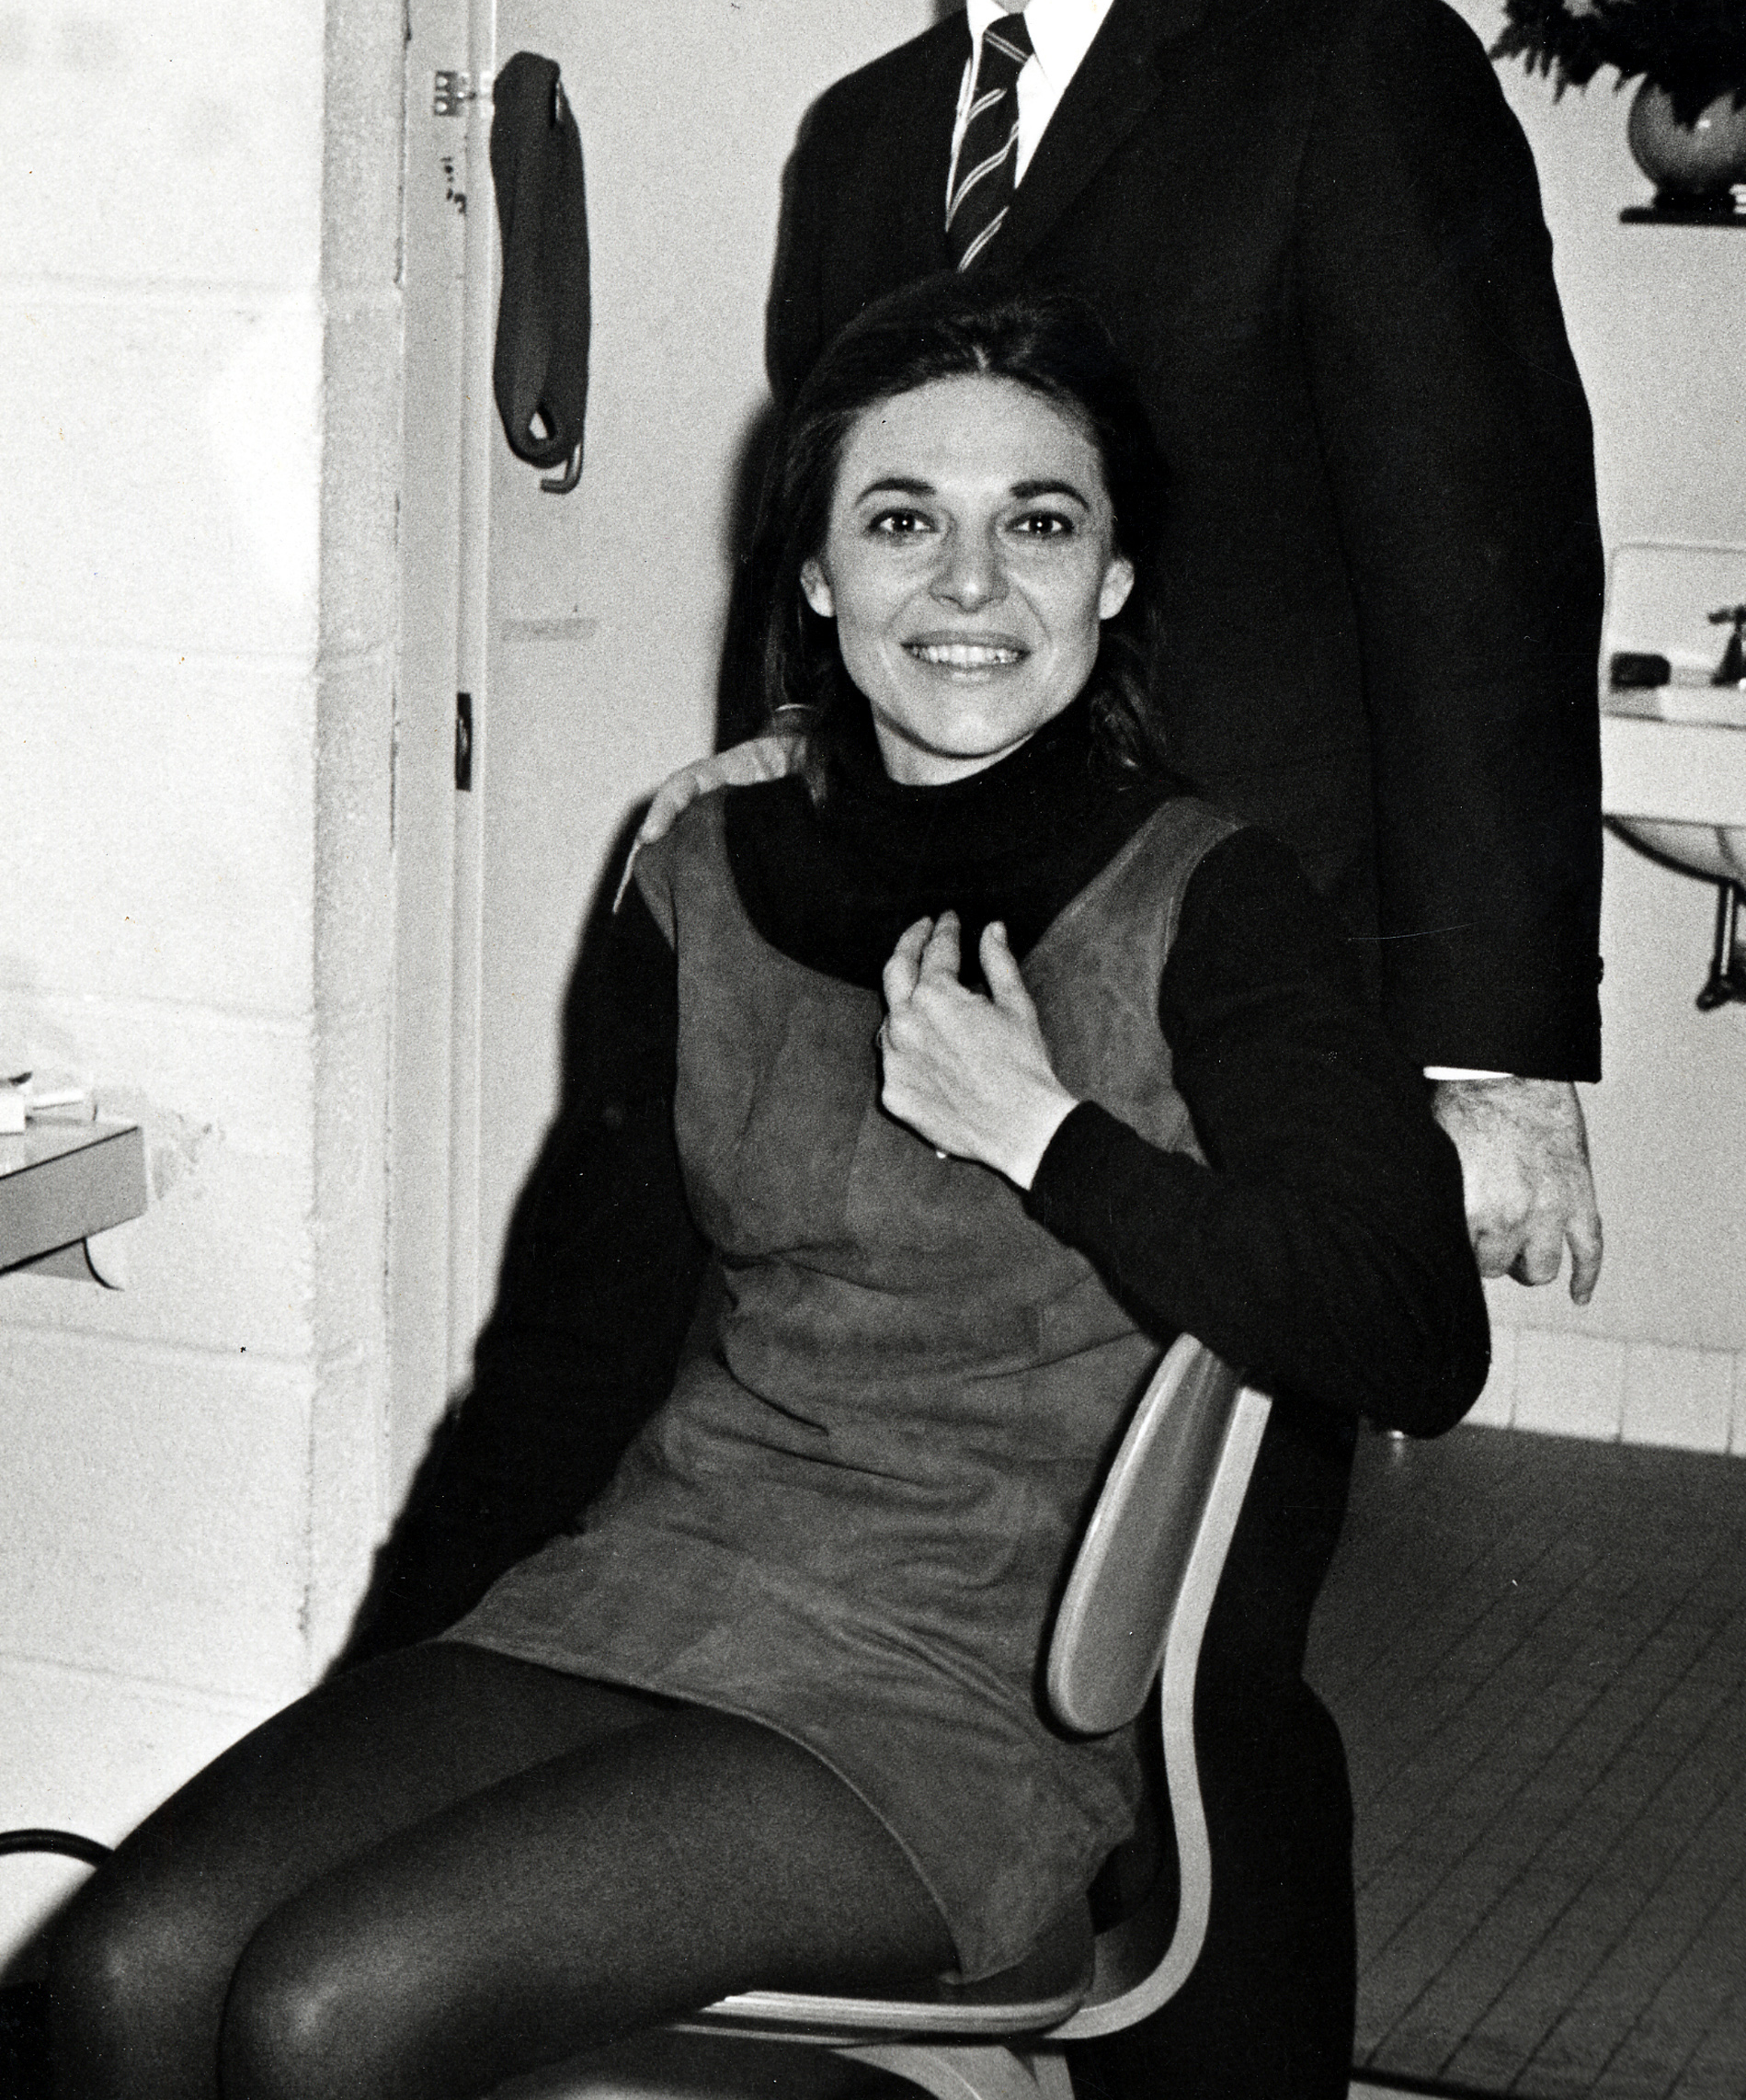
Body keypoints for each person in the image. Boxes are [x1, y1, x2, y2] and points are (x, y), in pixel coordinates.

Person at [50, 284, 1489, 2100]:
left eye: (1035, 524)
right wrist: (383, 1688)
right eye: (902, 522)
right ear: (811, 573)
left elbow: (1414, 1331)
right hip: (648, 1589)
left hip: (960, 1679)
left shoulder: (1210, 901)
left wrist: (1044, 1134)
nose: (967, 585)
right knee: (129, 1972)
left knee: (332, 2008)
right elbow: (573, 1354)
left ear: (1114, 578)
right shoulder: (706, 872)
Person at [676, 0, 1603, 1307]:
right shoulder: (858, 143)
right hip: (927, 1001)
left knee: (1190, 1562)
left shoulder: (1346, 70)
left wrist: (1487, 1056)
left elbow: (1474, 584)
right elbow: (799, 579)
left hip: (1237, 991)